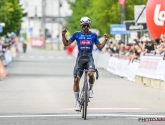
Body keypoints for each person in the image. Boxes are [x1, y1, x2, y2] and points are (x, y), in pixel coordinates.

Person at [62, 16, 109, 111]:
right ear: (81, 26)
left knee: (91, 74)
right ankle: (77, 102)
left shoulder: (94, 35)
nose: (85, 27)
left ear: (89, 25)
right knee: (76, 80)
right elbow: (66, 43)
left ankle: (90, 89)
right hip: (80, 59)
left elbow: (99, 47)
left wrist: (105, 40)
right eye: (83, 26)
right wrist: (63, 35)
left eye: (87, 25)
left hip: (89, 58)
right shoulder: (76, 34)